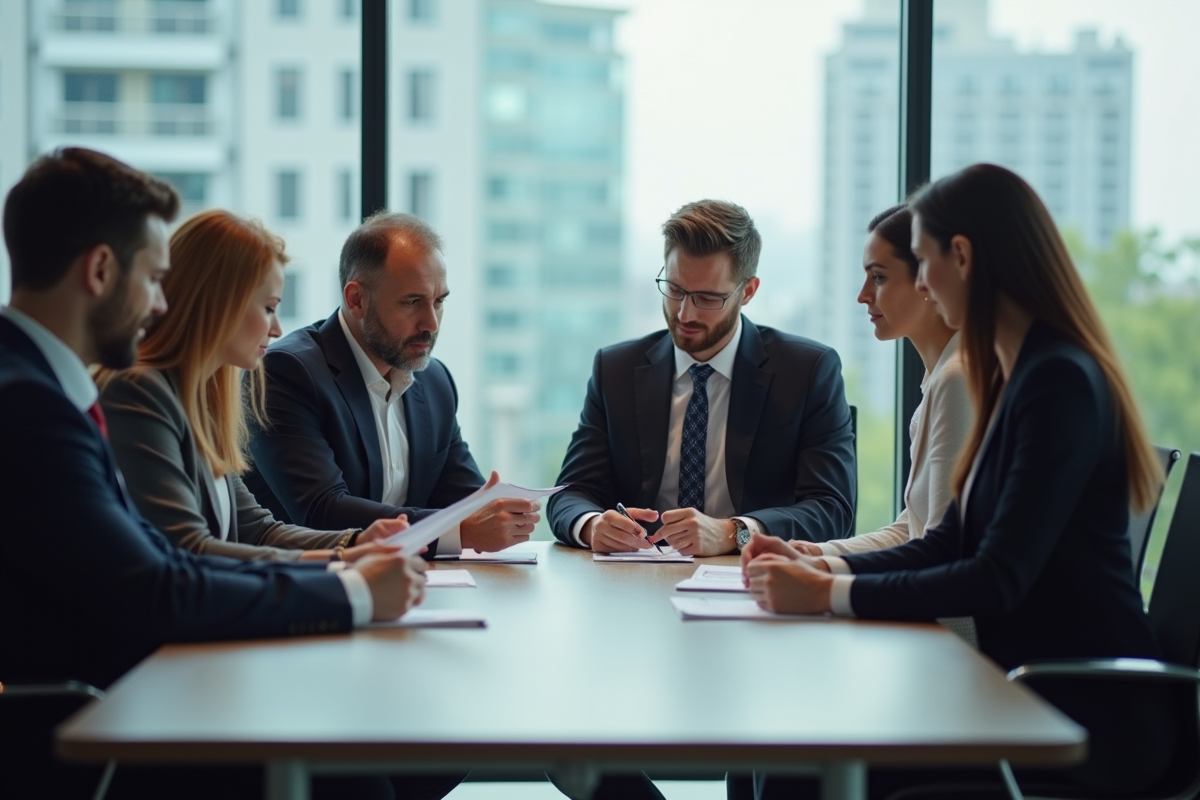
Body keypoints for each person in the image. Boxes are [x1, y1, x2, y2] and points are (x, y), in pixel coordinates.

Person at [0, 148, 432, 800]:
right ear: (98, 271)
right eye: (152, 280)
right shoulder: (33, 407)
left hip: (144, 694)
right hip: (112, 727)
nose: (157, 306)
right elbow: (160, 577)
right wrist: (350, 591)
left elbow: (186, 553)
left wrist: (347, 558)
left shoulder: (45, 390)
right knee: (359, 772)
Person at [741, 164, 1177, 798]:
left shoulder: (1057, 381)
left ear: (963, 257)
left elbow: (996, 576)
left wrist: (827, 595)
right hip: (1017, 692)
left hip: (1077, 714)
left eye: (921, 261)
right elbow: (949, 540)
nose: (920, 282)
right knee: (794, 750)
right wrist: (825, 572)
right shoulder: (1015, 375)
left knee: (804, 764)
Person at [548, 199, 856, 557]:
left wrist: (733, 532)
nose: (684, 313)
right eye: (675, 289)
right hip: (638, 579)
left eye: (707, 297)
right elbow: (570, 494)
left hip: (756, 582)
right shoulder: (615, 370)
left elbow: (833, 509)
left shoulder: (807, 372)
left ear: (748, 291)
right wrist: (591, 525)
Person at [99, 210, 411, 562]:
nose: (276, 328)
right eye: (268, 307)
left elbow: (258, 531)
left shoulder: (200, 401)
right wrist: (342, 560)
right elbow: (188, 549)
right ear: (218, 304)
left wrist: (355, 543)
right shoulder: (138, 392)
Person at [244, 212, 539, 556]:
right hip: (309, 589)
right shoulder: (286, 371)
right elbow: (320, 511)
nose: (431, 322)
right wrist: (458, 530)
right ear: (356, 300)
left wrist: (501, 512)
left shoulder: (435, 381)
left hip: (409, 588)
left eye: (439, 301)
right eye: (412, 302)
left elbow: (464, 501)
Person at [797, 204, 970, 557]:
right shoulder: (942, 376)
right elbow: (913, 527)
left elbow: (941, 550)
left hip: (952, 614)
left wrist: (828, 579)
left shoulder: (958, 379)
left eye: (878, 277)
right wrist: (816, 555)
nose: (862, 295)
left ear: (927, 279)